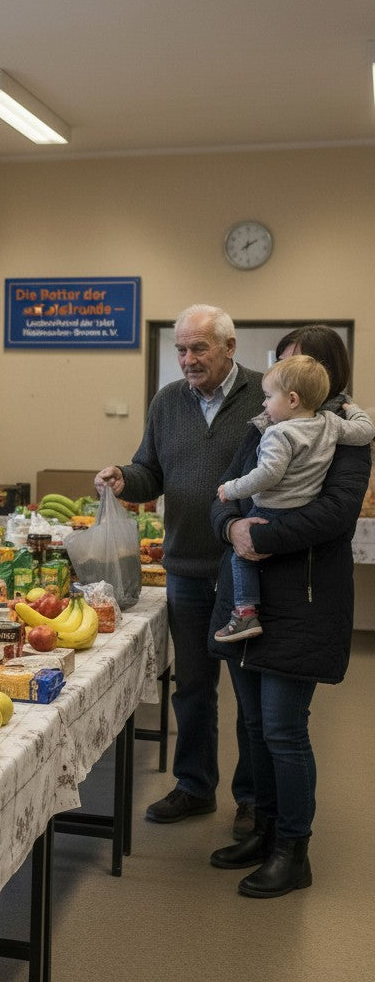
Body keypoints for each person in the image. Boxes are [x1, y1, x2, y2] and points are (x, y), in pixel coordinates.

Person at [208, 325, 370, 897]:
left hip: (302, 601)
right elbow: (220, 494)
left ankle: (292, 851)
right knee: (253, 728)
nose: (284, 377)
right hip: (245, 603)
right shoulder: (265, 425)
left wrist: (256, 538)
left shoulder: (347, 437)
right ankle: (265, 828)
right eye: (280, 363)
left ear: (326, 376)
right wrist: (230, 525)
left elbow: (335, 515)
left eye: (297, 364)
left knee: (282, 729)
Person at [95, 304, 264, 838]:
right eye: (181, 350)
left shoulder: (266, 397)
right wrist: (125, 477)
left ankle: (254, 798)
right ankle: (194, 786)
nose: (188, 360)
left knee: (250, 688)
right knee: (192, 686)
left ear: (230, 348)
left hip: (246, 571)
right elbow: (151, 471)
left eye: (200, 349)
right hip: (186, 569)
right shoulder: (168, 401)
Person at [215, 355, 374, 642]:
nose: (263, 404)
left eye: (267, 396)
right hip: (301, 508)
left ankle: (244, 612)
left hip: (272, 510)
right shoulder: (330, 423)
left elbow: (268, 475)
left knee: (241, 558)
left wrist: (233, 488)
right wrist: (353, 409)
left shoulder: (279, 433)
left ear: (291, 399)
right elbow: (365, 432)